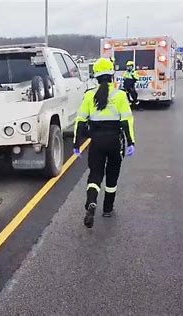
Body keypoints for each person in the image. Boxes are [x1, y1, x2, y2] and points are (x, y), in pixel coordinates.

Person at [73, 58, 136, 228]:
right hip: (115, 142)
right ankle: (107, 208)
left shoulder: (89, 95)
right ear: (112, 74)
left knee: (95, 174)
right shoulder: (120, 95)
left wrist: (76, 144)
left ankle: (92, 201)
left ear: (96, 76)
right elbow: (126, 121)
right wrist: (131, 142)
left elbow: (80, 120)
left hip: (97, 143)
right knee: (112, 176)